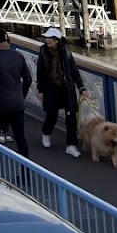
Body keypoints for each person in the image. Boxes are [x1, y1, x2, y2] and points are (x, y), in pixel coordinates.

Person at [0, 26, 31, 157]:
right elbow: (28, 79)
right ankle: (25, 170)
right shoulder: (18, 56)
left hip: (0, 103)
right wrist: (21, 94)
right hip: (17, 103)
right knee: (20, 137)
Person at [37, 26, 87, 157]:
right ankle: (46, 132)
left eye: (49, 39)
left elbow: (74, 71)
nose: (47, 41)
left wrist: (81, 88)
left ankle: (71, 145)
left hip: (66, 88)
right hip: (51, 89)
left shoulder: (66, 52)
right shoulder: (43, 53)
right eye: (46, 38)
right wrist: (40, 90)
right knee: (51, 114)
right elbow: (40, 73)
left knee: (71, 117)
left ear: (56, 40)